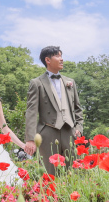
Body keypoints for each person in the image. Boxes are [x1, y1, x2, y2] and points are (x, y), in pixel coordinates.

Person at [24, 46, 84, 175]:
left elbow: (77, 109)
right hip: (48, 132)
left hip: (70, 132)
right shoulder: (37, 83)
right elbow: (31, 112)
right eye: (57, 56)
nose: (61, 59)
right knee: (49, 174)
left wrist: (79, 126)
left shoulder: (70, 82)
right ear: (48, 60)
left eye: (62, 56)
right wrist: (30, 138)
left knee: (73, 173)